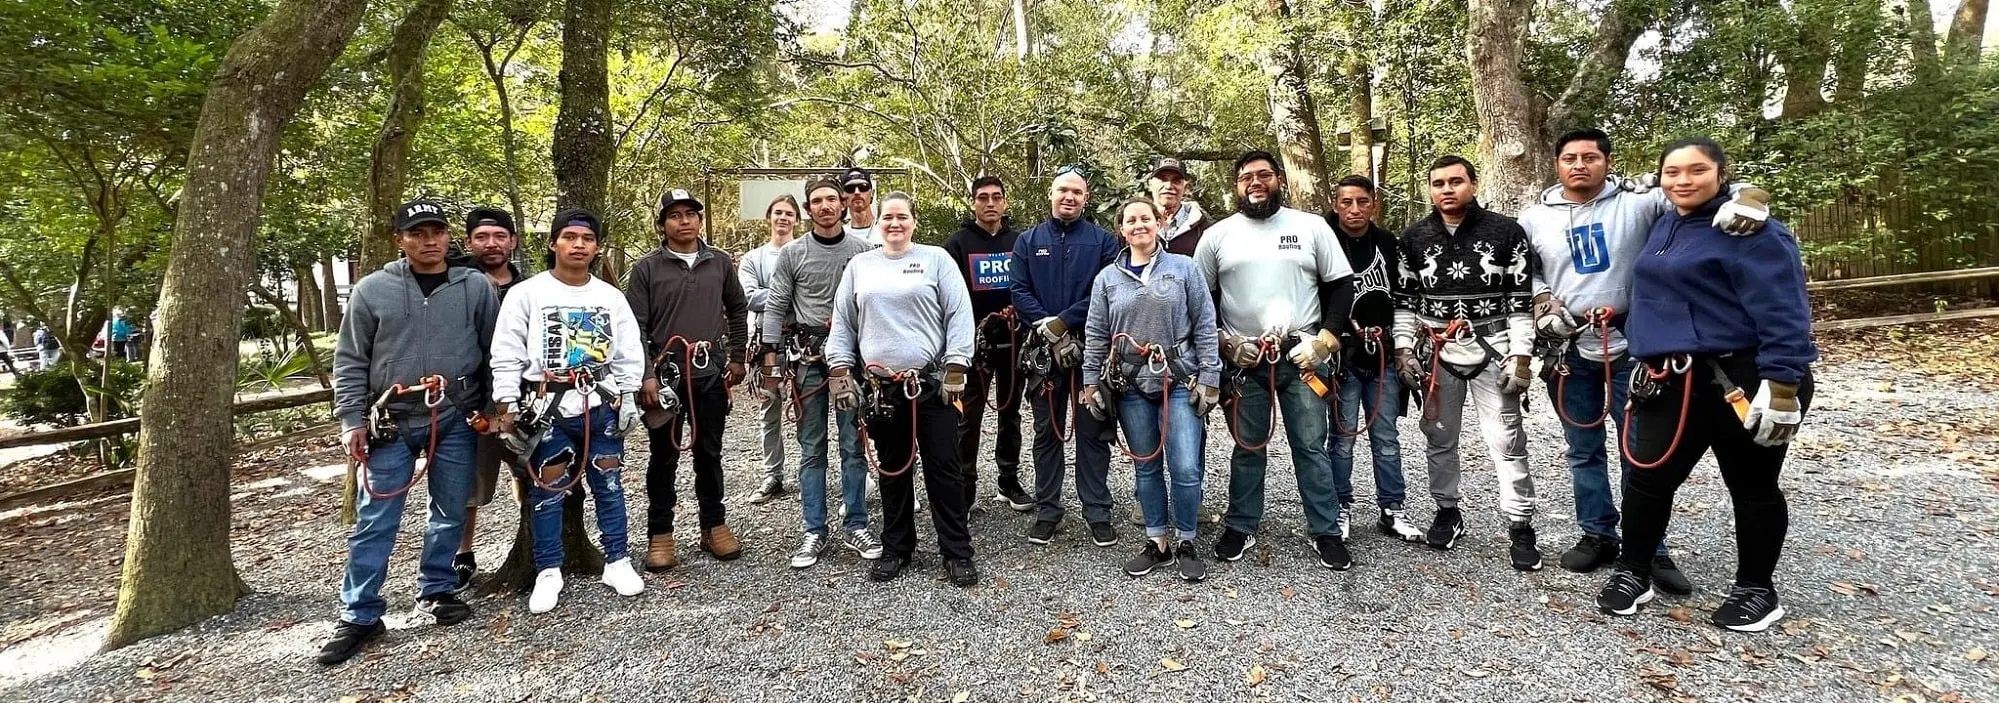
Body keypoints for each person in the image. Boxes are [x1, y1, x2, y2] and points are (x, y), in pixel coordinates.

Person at [1518, 128, 1772, 594]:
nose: (1580, 165)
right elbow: (1525, 269)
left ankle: (1649, 549)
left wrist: (1752, 198)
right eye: (1570, 157)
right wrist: (1542, 300)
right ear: (1556, 164)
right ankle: (1597, 532)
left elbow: (1703, 193)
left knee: (1643, 455)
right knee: (1582, 449)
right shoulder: (1533, 218)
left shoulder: (1641, 204)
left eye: (1591, 157)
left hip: (1636, 349)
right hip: (1572, 349)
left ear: (1607, 162)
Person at [1595, 137, 1816, 632]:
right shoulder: (1665, 223)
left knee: (1752, 485)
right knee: (1648, 480)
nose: (1683, 180)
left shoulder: (1754, 232)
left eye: (1697, 170)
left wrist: (1782, 383)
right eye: (1673, 172)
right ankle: (1635, 572)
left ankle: (1757, 589)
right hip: (1669, 379)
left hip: (1739, 377)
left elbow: (1785, 310)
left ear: (1721, 174)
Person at [320, 200, 498, 665]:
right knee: (376, 517)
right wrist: (351, 419)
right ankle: (359, 612)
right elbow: (351, 359)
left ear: (448, 237)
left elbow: (493, 349)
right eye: (417, 233)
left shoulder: (474, 286)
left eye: (437, 231)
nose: (429, 240)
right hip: (390, 418)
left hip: (455, 413)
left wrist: (493, 407)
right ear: (400, 239)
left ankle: (436, 587)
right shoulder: (371, 290)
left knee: (450, 507)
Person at [1195, 151, 1355, 569]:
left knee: (1310, 445)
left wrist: (1327, 341)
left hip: (1302, 356)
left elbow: (1340, 286)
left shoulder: (1311, 227)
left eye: (1264, 174)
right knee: (1248, 446)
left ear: (1278, 179)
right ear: (1237, 185)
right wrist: (1223, 342)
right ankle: (1241, 524)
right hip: (1246, 358)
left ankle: (1325, 529)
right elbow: (1200, 300)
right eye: (1246, 176)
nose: (1255, 182)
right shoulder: (1217, 236)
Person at [489, 207, 647, 614]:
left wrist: (628, 395)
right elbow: (505, 352)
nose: (579, 245)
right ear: (553, 243)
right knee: (548, 488)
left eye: (587, 239)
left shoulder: (609, 297)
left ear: (596, 248)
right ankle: (548, 569)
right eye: (570, 237)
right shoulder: (528, 294)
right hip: (547, 406)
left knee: (609, 483)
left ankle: (617, 559)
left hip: (600, 403)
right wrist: (506, 402)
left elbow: (629, 350)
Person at [1391, 156, 1544, 571]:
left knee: (1507, 441)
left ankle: (1520, 523)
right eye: (1438, 183)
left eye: (1456, 181)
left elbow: (1520, 300)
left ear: (1473, 184)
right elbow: (1405, 302)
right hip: (1438, 351)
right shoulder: (1415, 237)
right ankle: (1447, 510)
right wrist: (1404, 349)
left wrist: (1521, 354)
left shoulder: (1506, 231)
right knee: (1439, 437)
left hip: (1493, 347)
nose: (1447, 189)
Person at [824, 191, 979, 586]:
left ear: (914, 221)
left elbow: (960, 314)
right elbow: (843, 322)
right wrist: (841, 370)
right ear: (878, 222)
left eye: (902, 217)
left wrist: (957, 366)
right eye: (888, 217)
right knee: (894, 470)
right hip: (882, 389)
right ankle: (897, 547)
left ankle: (956, 551)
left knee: (944, 468)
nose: (895, 223)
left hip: (931, 385)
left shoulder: (936, 260)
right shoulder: (861, 266)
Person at [1082, 197, 1221, 581]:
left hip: (1178, 378)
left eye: (1145, 218)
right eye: (1131, 220)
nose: (1139, 224)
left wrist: (1210, 377)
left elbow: (1205, 324)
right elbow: (1096, 334)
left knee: (1186, 465)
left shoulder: (1184, 268)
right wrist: (1090, 381)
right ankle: (1157, 541)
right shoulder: (1107, 279)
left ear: (1158, 223)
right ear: (1122, 231)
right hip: (1130, 384)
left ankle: (1188, 540)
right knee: (1146, 466)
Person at [759, 179, 884, 569]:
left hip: (852, 359)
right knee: (812, 447)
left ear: (843, 204)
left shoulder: (864, 252)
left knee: (853, 443)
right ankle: (814, 529)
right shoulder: (793, 254)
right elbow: (776, 307)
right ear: (808, 209)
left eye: (832, 199)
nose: (826, 206)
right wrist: (770, 360)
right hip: (808, 359)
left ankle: (856, 523)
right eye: (817, 201)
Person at [628, 189, 750, 570]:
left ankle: (714, 524)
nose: (684, 221)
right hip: (665, 377)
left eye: (690, 214)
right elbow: (636, 324)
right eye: (675, 215)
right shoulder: (647, 268)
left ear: (700, 220)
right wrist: (646, 375)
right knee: (663, 456)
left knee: (709, 453)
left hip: (709, 374)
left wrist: (735, 357)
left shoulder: (719, 263)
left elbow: (737, 308)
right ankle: (660, 533)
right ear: (662, 224)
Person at [1011, 167, 1120, 547]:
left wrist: (1065, 321)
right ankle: (1048, 509)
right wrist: (1046, 326)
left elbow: (1107, 291)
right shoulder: (1028, 241)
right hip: (1043, 353)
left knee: (1092, 428)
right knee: (1047, 431)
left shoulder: (1103, 241)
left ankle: (1097, 510)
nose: (1069, 197)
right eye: (1062, 190)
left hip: (1091, 348)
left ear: (1085, 198)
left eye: (1076, 191)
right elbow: (1018, 290)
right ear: (1051, 194)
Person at [1323, 176, 1424, 543]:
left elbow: (1402, 297)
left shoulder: (1387, 243)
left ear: (1373, 204)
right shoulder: (1323, 239)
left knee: (1385, 436)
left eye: (1362, 202)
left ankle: (1392, 507)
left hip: (1383, 354)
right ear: (1335, 204)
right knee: (1343, 436)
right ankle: (1340, 505)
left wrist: (1403, 346)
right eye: (1346, 202)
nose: (1354, 209)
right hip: (1342, 355)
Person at [942, 175, 1033, 511]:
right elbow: (950, 295)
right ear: (973, 203)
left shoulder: (1019, 241)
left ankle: (1008, 480)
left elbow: (1029, 285)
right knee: (968, 417)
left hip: (1014, 340)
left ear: (1005, 202)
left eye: (997, 197)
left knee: (1011, 414)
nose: (990, 203)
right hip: (975, 344)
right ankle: (964, 485)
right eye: (983, 197)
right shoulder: (959, 243)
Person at [451, 206, 527, 592]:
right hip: (472, 397)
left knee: (525, 469)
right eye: (482, 237)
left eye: (500, 236)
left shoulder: (530, 286)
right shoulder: (453, 284)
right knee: (469, 480)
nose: (492, 244)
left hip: (525, 396)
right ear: (468, 242)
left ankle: (530, 537)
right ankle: (462, 554)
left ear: (512, 241)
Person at [740, 194, 799, 504]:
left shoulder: (805, 252)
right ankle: (772, 474)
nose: (783, 218)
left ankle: (809, 470)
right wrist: (792, 295)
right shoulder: (754, 259)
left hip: (803, 342)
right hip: (767, 343)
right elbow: (749, 297)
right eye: (778, 212)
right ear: (769, 217)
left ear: (797, 220)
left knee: (807, 409)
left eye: (789, 213)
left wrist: (775, 295)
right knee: (769, 407)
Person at [1147, 158, 1210, 256]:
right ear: (1150, 184)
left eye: (1176, 181)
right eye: (1162, 179)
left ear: (1185, 188)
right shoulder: (1134, 224)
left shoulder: (1202, 226)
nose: (1168, 186)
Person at [841, 167, 883, 245]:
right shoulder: (839, 236)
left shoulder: (888, 231)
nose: (857, 192)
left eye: (863, 187)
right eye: (850, 188)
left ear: (872, 193)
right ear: (843, 196)